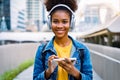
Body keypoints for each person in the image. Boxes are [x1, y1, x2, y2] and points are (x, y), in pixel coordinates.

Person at [33, 0, 93, 80]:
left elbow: (89, 78)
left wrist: (74, 72)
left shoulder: (83, 50)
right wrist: (48, 72)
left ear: (71, 23)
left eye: (64, 22)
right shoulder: (42, 50)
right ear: (49, 23)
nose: (60, 26)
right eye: (55, 21)